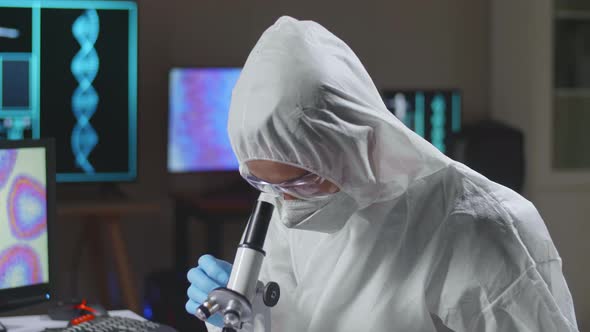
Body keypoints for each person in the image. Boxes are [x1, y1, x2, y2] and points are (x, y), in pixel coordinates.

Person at [185, 16, 579, 331]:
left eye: (299, 181)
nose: (284, 203)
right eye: (263, 183)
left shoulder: (478, 229)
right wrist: (245, 314)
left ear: (353, 143)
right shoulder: (286, 198)